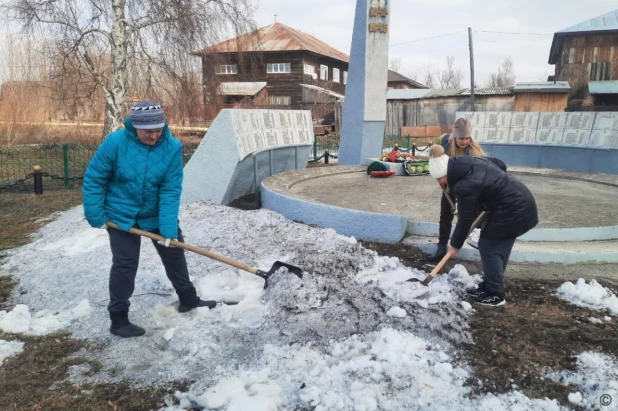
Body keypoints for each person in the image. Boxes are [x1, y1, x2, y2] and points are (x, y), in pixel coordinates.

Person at [82, 100, 216, 338]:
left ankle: (189, 300)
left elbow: (170, 189)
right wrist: (96, 214)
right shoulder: (115, 143)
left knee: (174, 253)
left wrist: (167, 228)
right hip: (121, 214)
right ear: (135, 127)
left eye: (158, 129)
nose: (154, 136)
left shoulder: (172, 147)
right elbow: (95, 178)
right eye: (148, 131)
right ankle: (119, 319)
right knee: (125, 264)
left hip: (155, 213)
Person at [428, 145, 538, 306]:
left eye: (439, 179)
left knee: (489, 246)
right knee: (499, 247)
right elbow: (499, 164)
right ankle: (489, 284)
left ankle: (495, 294)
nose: (441, 183)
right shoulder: (468, 162)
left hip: (513, 209)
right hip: (519, 201)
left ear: (446, 173)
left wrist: (454, 245)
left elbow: (465, 220)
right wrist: (492, 190)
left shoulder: (463, 186)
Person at [426, 118, 486, 263]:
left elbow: (478, 172)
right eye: (461, 138)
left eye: (467, 138)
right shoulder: (445, 141)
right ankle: (441, 247)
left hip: (467, 186)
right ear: (454, 136)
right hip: (448, 184)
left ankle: (480, 237)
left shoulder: (473, 150)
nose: (464, 141)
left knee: (475, 211)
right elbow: (434, 153)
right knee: (445, 213)